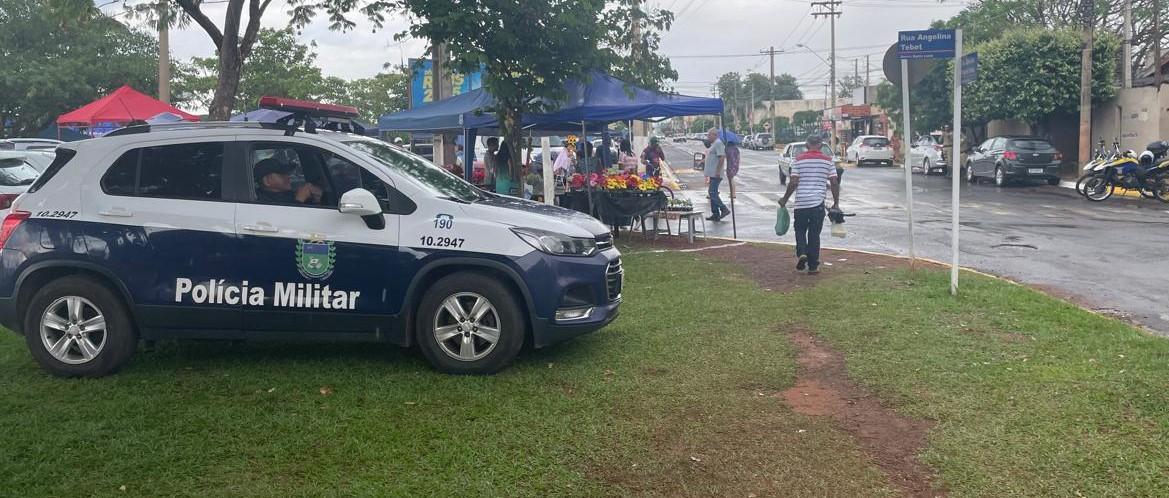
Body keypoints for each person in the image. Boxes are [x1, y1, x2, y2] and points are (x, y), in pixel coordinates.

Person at [779, 135, 840, 274]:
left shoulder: (798, 160)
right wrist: (836, 203)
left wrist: (784, 199)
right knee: (814, 234)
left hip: (801, 203)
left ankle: (802, 252)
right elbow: (834, 183)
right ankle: (813, 266)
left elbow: (793, 182)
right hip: (817, 204)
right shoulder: (828, 161)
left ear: (807, 145)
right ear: (820, 145)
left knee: (800, 229)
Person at [254, 158, 322, 204]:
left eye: (287, 174)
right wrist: (299, 199)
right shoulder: (262, 202)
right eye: (282, 175)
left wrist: (317, 197)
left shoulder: (286, 194)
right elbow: (285, 221)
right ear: (267, 181)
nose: (288, 177)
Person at [703, 127, 729, 221]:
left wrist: (718, 171)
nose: (708, 137)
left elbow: (722, 157)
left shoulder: (718, 143)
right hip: (712, 173)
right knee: (712, 192)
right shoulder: (714, 144)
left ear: (714, 135)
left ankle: (724, 209)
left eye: (709, 135)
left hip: (716, 174)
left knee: (712, 193)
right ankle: (715, 214)